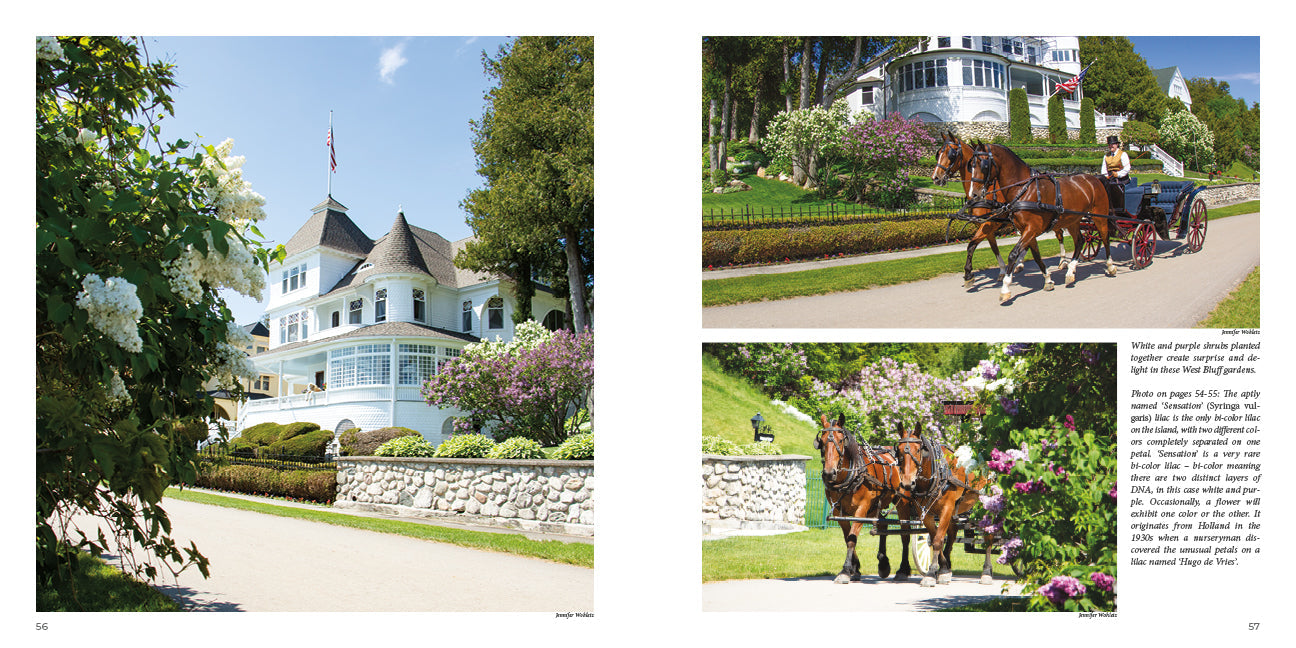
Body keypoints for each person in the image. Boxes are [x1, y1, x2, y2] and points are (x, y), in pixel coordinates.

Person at [1100, 135, 1131, 213]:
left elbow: (1127, 168)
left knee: (1116, 189)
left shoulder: (1123, 154)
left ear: (1117, 145)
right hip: (1110, 177)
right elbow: (1104, 168)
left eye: (1113, 144)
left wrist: (1118, 174)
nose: (1111, 146)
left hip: (1121, 178)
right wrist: (1105, 176)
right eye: (1109, 145)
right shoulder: (1106, 156)